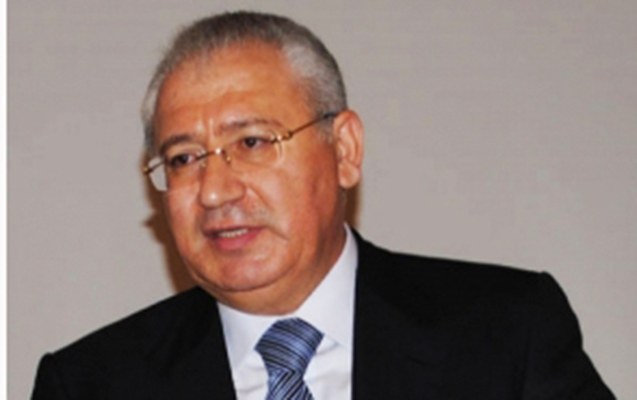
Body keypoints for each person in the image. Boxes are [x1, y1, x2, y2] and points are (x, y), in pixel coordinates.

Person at [32, 11, 614, 400]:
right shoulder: (88, 385)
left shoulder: (507, 335)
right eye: (184, 158)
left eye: (251, 143)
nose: (213, 191)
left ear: (344, 150)